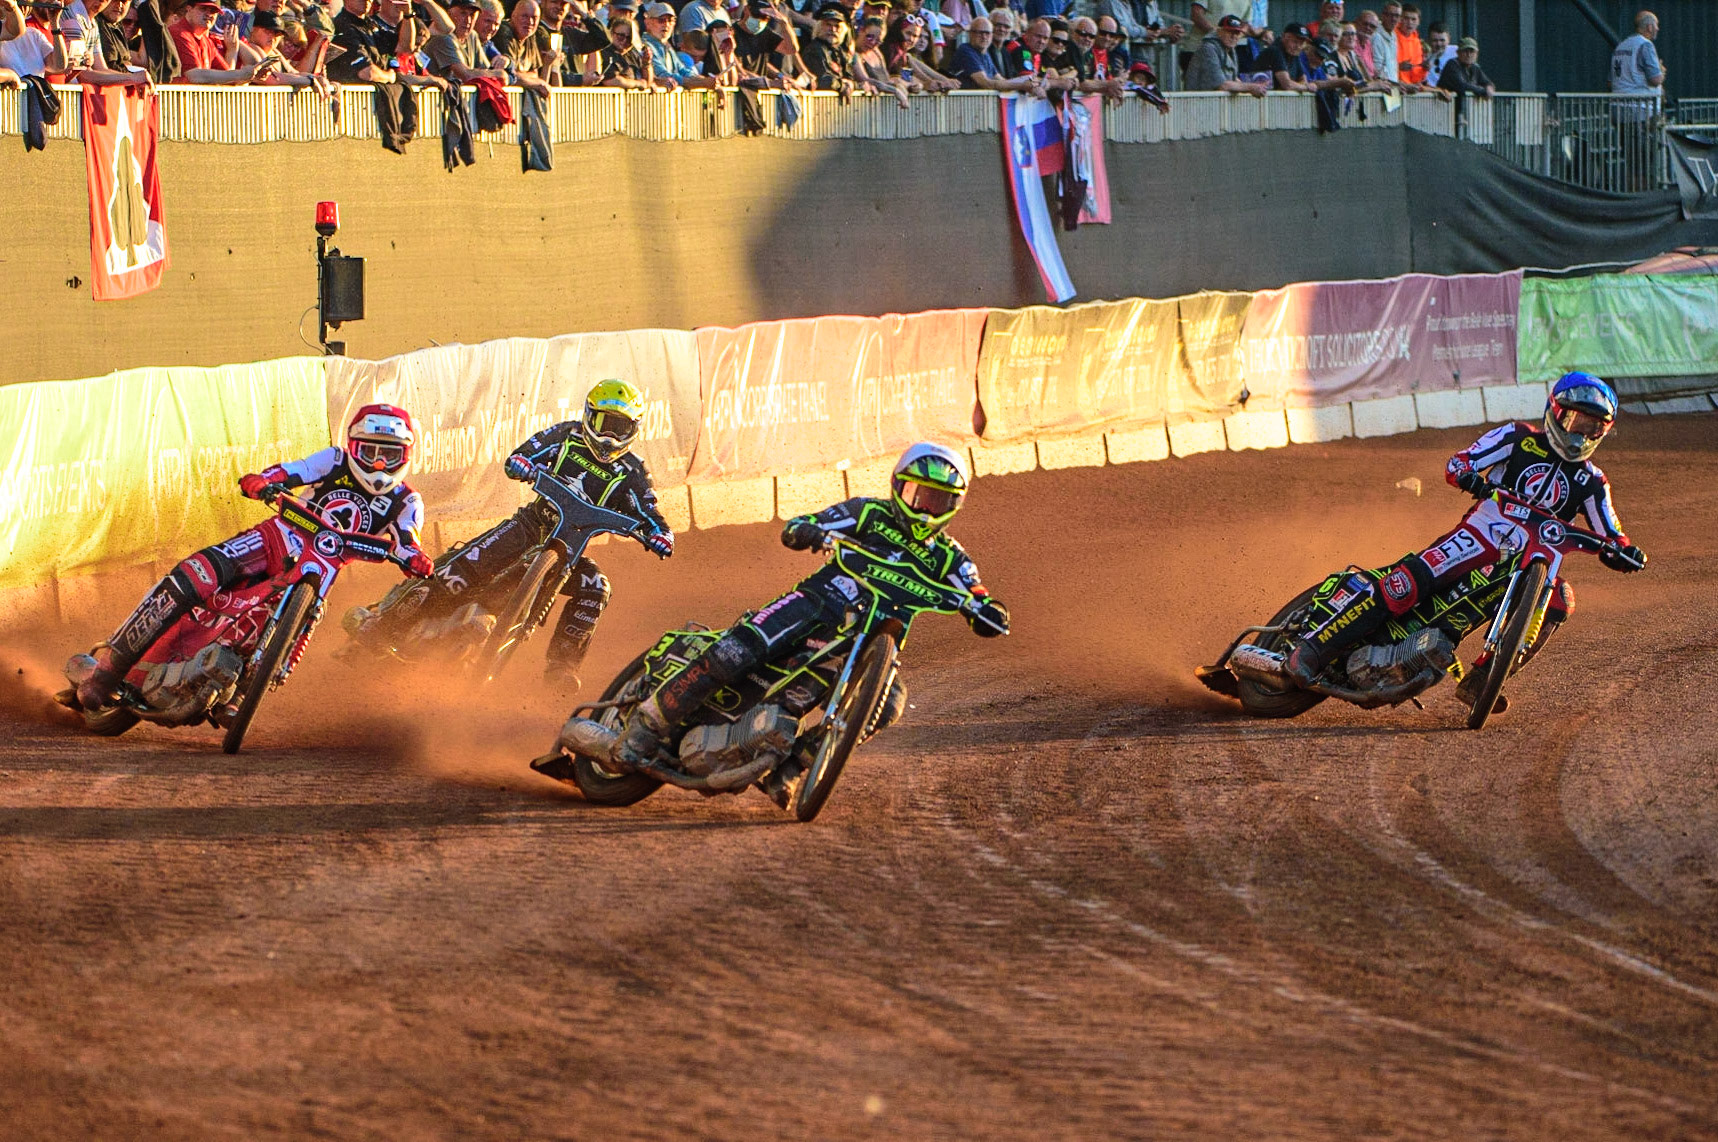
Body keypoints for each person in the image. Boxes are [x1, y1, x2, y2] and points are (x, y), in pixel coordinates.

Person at [613, 442, 1010, 772]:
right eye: (917, 496)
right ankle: (644, 727)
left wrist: (990, 611)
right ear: (898, 487)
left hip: (859, 645)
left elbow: (978, 594)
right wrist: (810, 531)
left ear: (954, 505)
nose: (924, 509)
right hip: (817, 603)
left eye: (937, 501)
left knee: (888, 703)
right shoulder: (869, 513)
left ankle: (793, 767)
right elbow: (803, 525)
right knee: (737, 651)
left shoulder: (950, 558)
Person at [1284, 374, 1648, 712]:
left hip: (1531, 563)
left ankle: (1483, 680)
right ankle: (1313, 649)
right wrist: (1468, 476)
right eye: (1575, 421)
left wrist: (1624, 552)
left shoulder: (1592, 482)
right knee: (1407, 583)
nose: (1579, 435)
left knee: (1560, 600)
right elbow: (1462, 461)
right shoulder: (1518, 437)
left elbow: (1612, 533)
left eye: (1591, 428)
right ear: (1555, 412)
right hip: (1481, 533)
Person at [74, 406, 433, 712]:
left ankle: (242, 692)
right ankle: (108, 670)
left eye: (389, 455)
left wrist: (415, 559)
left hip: (320, 571)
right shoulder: (335, 460)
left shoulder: (408, 501)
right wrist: (263, 481)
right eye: (370, 451)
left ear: (406, 456)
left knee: (304, 622)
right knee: (195, 575)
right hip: (275, 537)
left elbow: (408, 541)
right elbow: (294, 470)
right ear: (354, 446)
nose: (379, 463)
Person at [345, 381, 673, 689]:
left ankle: (561, 667)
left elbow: (650, 512)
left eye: (620, 428)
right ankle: (382, 622)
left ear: (634, 430)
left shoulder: (633, 471)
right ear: (589, 417)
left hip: (570, 551)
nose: (609, 436)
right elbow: (522, 454)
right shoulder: (566, 435)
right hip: (527, 528)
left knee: (597, 586)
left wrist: (659, 534)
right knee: (452, 575)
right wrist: (522, 464)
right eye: (604, 424)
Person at [1611, 10, 1663, 190]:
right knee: (1644, 163)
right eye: (1656, 25)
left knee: (1632, 162)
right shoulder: (1645, 46)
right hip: (1640, 113)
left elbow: (1611, 82)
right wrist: (1661, 71)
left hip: (1620, 112)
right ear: (1649, 27)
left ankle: (1633, 195)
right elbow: (1655, 79)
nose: (1658, 29)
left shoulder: (1621, 46)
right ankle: (1644, 198)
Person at [947, 15, 1039, 92]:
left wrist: (1030, 83)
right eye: (980, 33)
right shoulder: (965, 50)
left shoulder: (985, 53)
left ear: (992, 35)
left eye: (987, 33)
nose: (984, 37)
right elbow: (985, 83)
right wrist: (1021, 85)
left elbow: (1001, 80)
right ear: (970, 34)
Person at [1185, 12, 1264, 93]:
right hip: (1198, 100)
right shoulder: (1208, 49)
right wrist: (1251, 88)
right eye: (1229, 31)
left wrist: (1257, 87)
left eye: (1237, 33)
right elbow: (1221, 85)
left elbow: (1233, 80)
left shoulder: (1230, 49)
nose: (1233, 36)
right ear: (1219, 31)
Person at [1419, 19, 1449, 84]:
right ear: (1428, 40)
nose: (1439, 44)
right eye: (1435, 40)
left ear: (1449, 39)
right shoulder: (1422, 56)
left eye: (1442, 40)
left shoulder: (1457, 53)